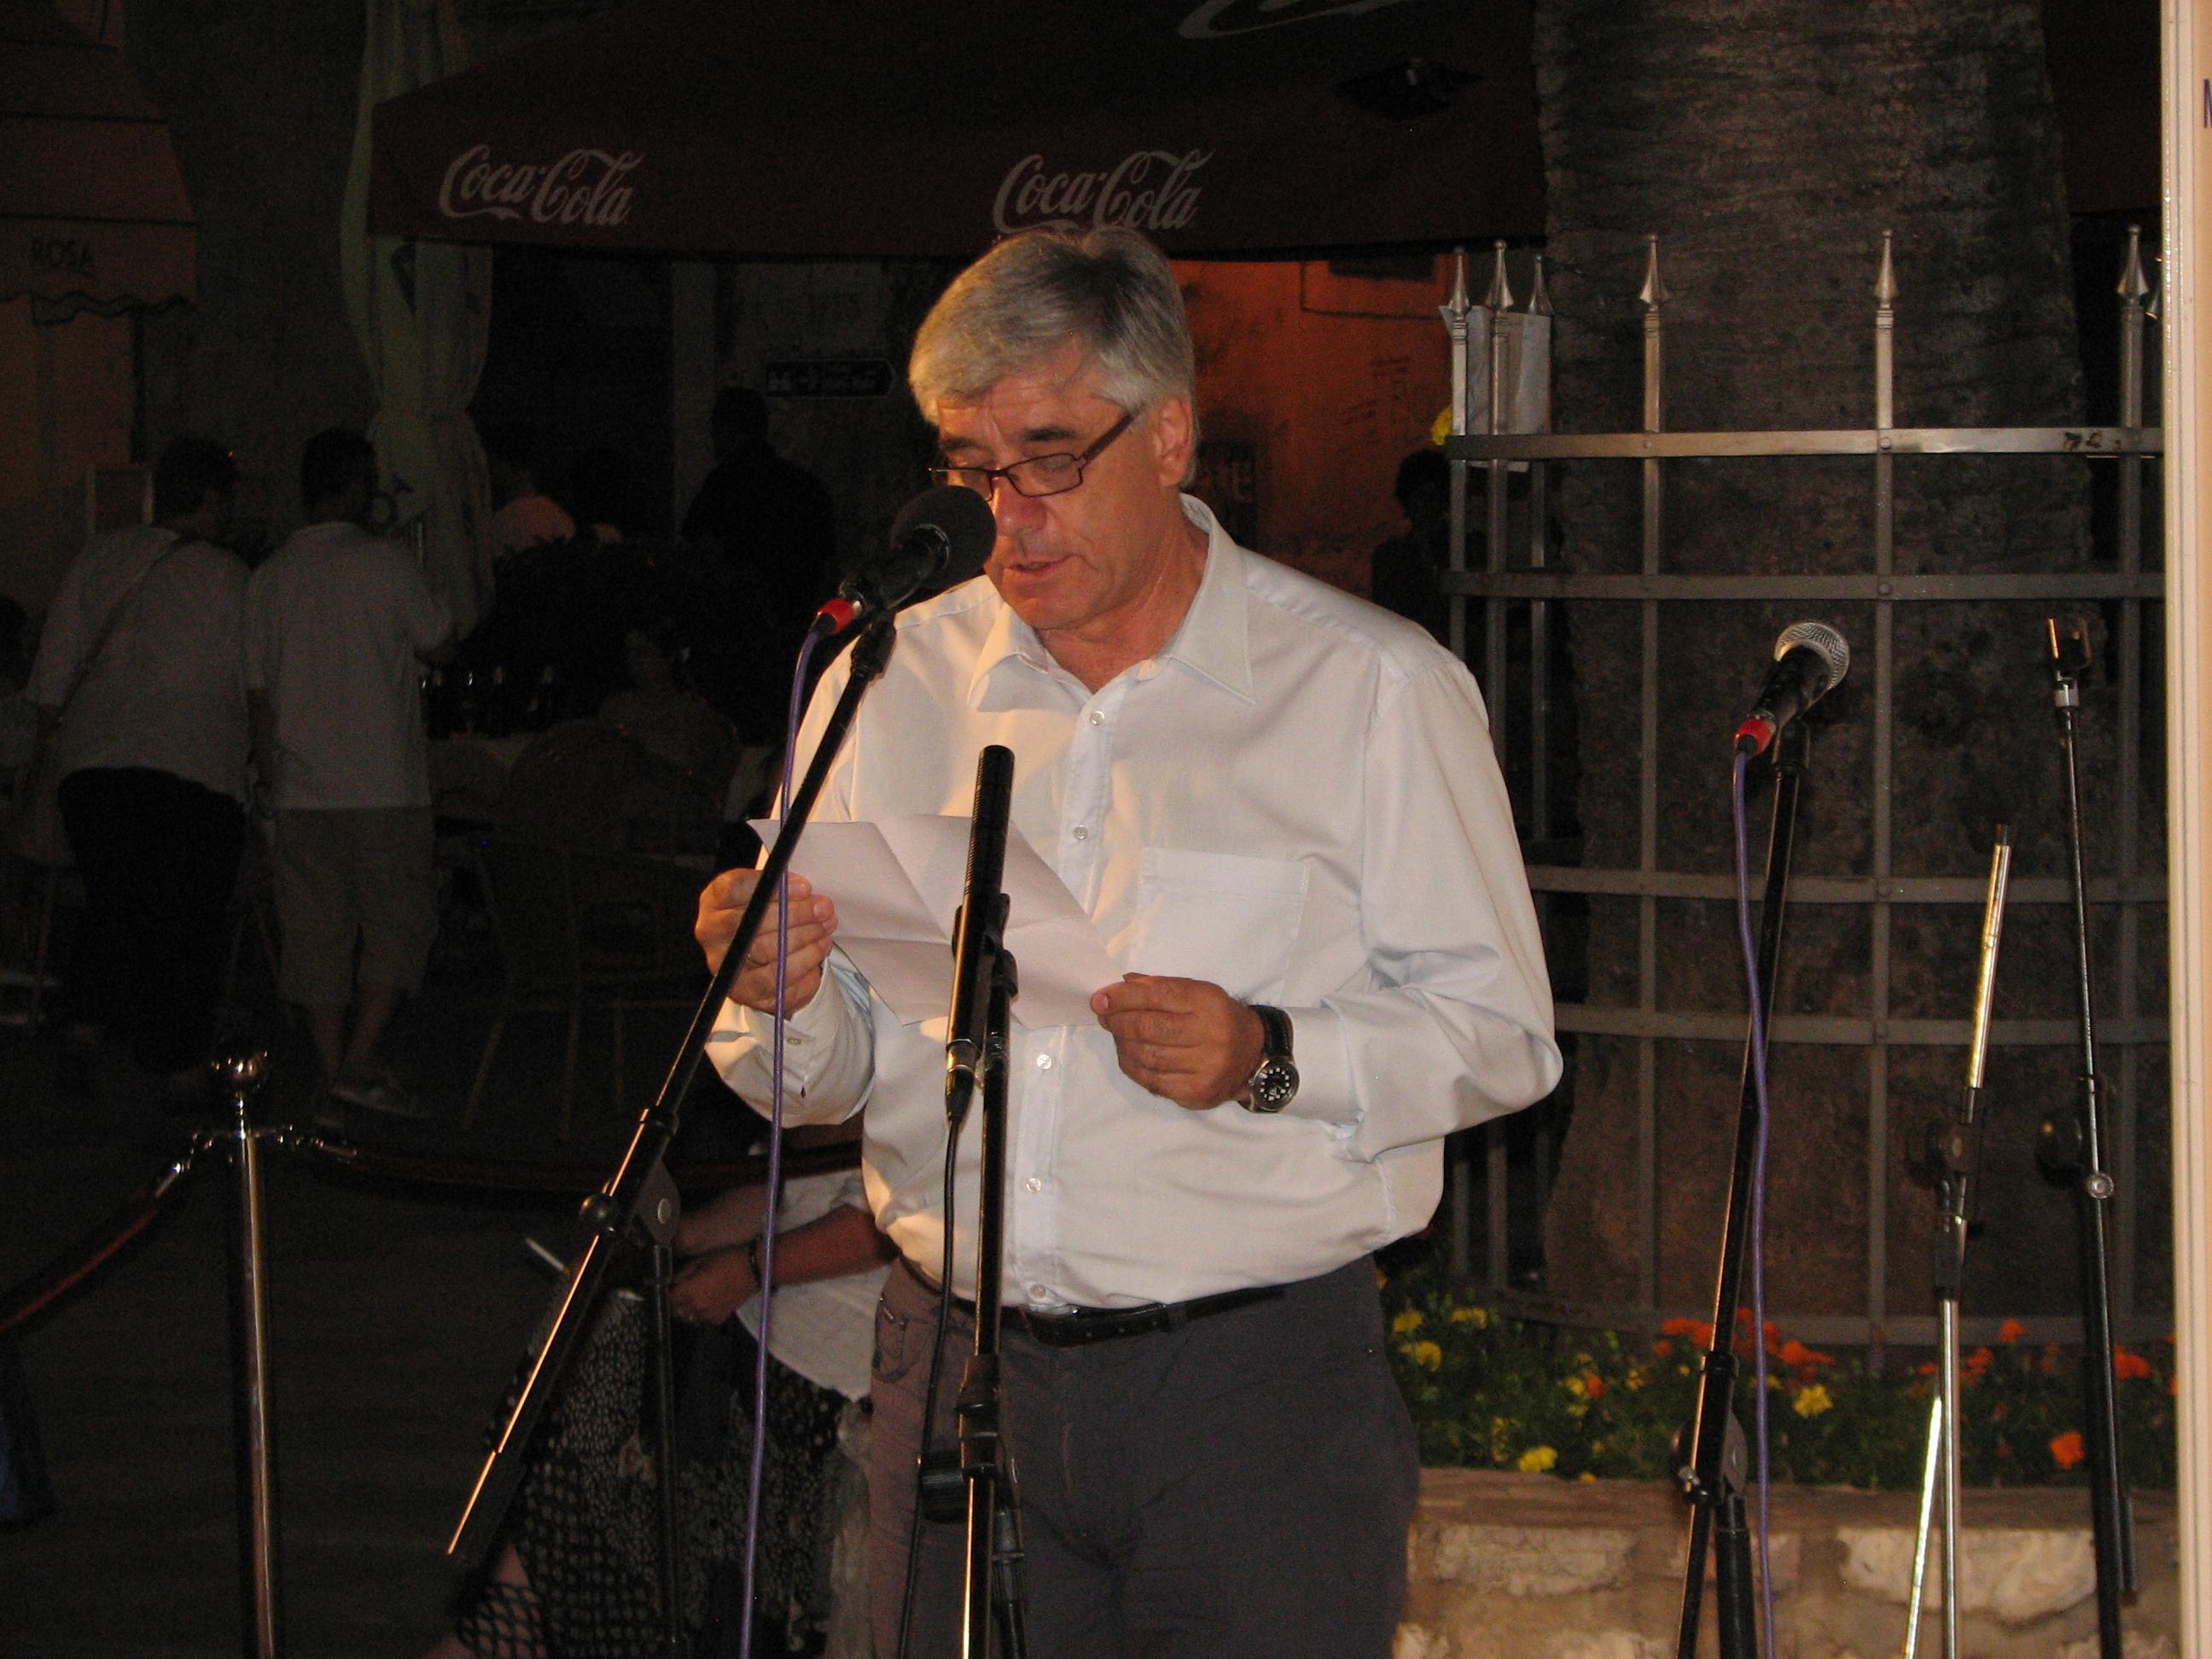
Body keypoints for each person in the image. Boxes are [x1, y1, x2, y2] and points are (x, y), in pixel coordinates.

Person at [696, 229, 1562, 1657]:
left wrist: (1269, 1053)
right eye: (969, 467)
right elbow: (819, 1078)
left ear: (1169, 436)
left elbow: (1504, 1037)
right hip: (952, 1359)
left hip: (1250, 1388)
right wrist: (776, 990)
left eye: (1049, 459)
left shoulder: (1367, 688)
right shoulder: (888, 679)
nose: (1007, 516)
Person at [426, 1167, 896, 1659]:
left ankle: (511, 1625)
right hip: (751, 1332)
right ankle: (510, 1617)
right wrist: (672, 1236)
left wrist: (747, 1269)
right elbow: (789, 1187)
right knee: (588, 1329)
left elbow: (882, 1222)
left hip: (827, 1371)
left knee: (615, 1377)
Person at [26, 436, 251, 1104]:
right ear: (212, 501)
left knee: (114, 901)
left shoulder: (98, 559)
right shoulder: (229, 578)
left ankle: (85, 1030)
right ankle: (177, 1065)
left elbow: (51, 682)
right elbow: (252, 681)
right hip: (192, 762)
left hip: (94, 765)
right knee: (187, 918)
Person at [244, 428, 454, 1115]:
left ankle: (334, 1067)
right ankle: (359, 1059)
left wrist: (270, 778)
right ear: (360, 485)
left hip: (302, 786)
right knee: (396, 924)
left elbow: (257, 693)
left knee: (315, 933)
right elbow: (440, 642)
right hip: (384, 783)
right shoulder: (385, 563)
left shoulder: (269, 576)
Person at [679, 387, 837, 744]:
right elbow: (828, 566)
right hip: (793, 638)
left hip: (737, 645)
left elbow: (700, 557)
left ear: (726, 430)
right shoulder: (804, 487)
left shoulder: (722, 487)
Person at [1371, 445, 1452, 644]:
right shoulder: (1390, 557)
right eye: (1420, 497)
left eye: (1433, 497)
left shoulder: (1465, 551)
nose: (1427, 506)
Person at [485, 424, 577, 558]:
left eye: (494, 465)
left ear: (513, 467)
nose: (490, 474)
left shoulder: (503, 521)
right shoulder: (560, 517)